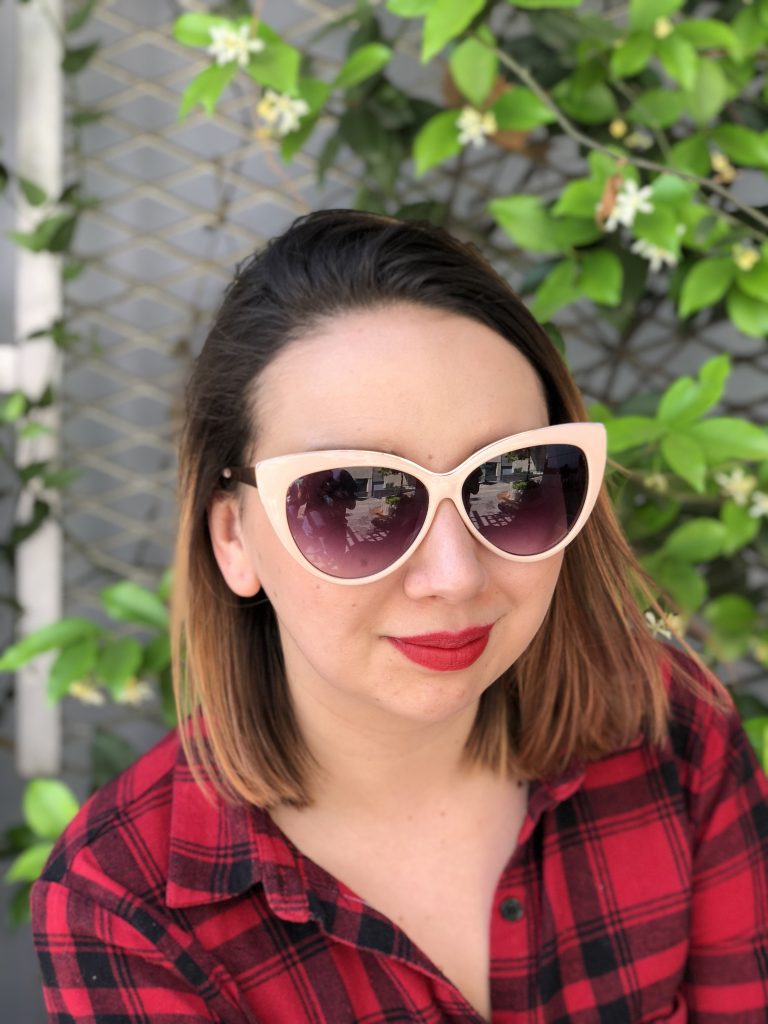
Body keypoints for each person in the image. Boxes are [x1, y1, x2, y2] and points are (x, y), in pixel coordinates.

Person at [31, 210, 768, 1023]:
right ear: (234, 536)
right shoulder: (124, 900)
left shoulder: (673, 729)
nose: (454, 577)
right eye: (354, 500)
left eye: (512, 483)